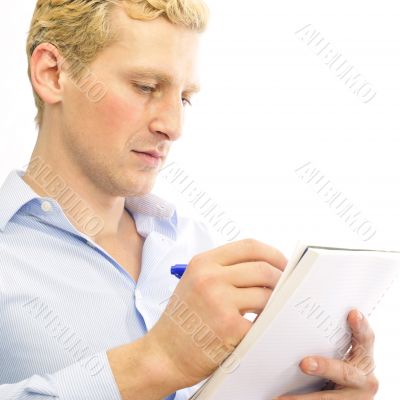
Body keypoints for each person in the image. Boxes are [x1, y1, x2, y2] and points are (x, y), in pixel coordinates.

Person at [0, 1, 379, 399]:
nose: (173, 126)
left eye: (184, 98)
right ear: (52, 73)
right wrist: (158, 361)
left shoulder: (193, 244)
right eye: (146, 87)